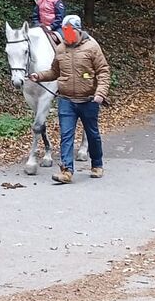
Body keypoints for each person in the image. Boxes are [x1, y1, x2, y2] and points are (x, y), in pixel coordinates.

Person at [29, 14, 110, 184]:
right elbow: (54, 72)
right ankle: (66, 171)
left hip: (89, 99)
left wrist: (100, 93)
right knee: (66, 136)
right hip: (66, 100)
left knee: (92, 134)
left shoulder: (92, 47)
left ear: (78, 30)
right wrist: (39, 76)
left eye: (70, 32)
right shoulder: (60, 49)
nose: (67, 36)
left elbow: (103, 71)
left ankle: (97, 164)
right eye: (65, 32)